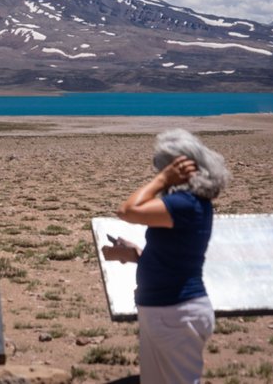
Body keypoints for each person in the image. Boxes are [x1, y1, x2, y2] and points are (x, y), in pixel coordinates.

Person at [102, 129, 229, 384]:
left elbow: (127, 210)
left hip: (175, 313)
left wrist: (161, 180)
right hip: (169, 312)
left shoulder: (185, 204)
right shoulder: (190, 204)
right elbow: (176, 256)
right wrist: (136, 253)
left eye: (162, 167)